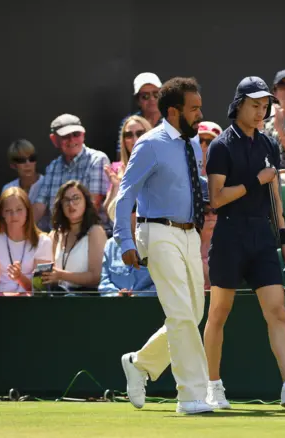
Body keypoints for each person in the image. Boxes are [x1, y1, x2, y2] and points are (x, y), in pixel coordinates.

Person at [204, 76, 285, 410]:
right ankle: (212, 386)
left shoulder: (269, 145)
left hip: (262, 237)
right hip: (230, 235)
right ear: (239, 105)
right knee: (218, 312)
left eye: (264, 106)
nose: (261, 112)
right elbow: (216, 199)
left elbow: (274, 196)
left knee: (277, 311)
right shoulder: (220, 146)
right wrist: (252, 182)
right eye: (255, 105)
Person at [114, 77, 212, 415]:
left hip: (189, 233)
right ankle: (191, 396)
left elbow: (190, 183)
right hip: (156, 232)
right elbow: (124, 194)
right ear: (174, 111)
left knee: (193, 313)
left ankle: (140, 363)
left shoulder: (191, 142)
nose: (200, 114)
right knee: (181, 313)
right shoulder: (149, 144)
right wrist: (124, 240)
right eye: (194, 108)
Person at [33, 114, 110, 230]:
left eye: (76, 134)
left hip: (90, 235)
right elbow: (40, 205)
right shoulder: (53, 167)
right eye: (65, 136)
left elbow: (93, 207)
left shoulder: (97, 160)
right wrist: (24, 230)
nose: (72, 140)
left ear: (83, 135)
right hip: (58, 237)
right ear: (54, 140)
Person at [0, 187, 53, 296]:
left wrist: (19, 277)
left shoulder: (44, 241)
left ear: (27, 211)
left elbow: (40, 289)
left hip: (29, 300)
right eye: (8, 211)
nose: (14, 215)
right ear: (2, 214)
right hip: (0, 298)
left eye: (19, 210)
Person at [45, 181, 107, 292]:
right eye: (66, 200)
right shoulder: (55, 235)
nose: (71, 204)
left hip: (85, 301)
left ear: (86, 202)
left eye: (76, 198)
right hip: (57, 298)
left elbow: (96, 277)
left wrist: (61, 275)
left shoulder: (95, 231)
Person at [104, 115, 153, 222]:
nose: (134, 139)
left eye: (140, 133)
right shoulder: (117, 168)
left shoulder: (160, 164)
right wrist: (116, 187)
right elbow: (109, 213)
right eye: (128, 135)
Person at [99, 205, 155, 297]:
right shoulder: (110, 245)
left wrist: (139, 297)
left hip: (150, 308)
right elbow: (104, 284)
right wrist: (116, 295)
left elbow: (164, 284)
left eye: (134, 208)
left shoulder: (157, 244)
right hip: (115, 308)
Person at [1, 139, 49, 231]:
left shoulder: (47, 183)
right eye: (21, 160)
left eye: (32, 159)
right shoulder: (8, 189)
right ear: (13, 165)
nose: (28, 164)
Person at [116, 73, 163, 158]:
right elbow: (121, 156)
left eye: (156, 94)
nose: (152, 99)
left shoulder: (172, 119)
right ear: (138, 101)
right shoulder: (128, 123)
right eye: (145, 96)